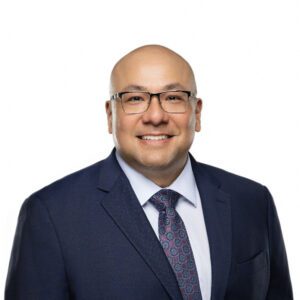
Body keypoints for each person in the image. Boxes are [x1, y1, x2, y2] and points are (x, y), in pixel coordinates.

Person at [5, 45, 293, 300]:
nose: (155, 116)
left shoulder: (253, 201)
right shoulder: (51, 214)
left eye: (174, 97)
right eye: (134, 98)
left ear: (198, 113)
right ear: (110, 115)